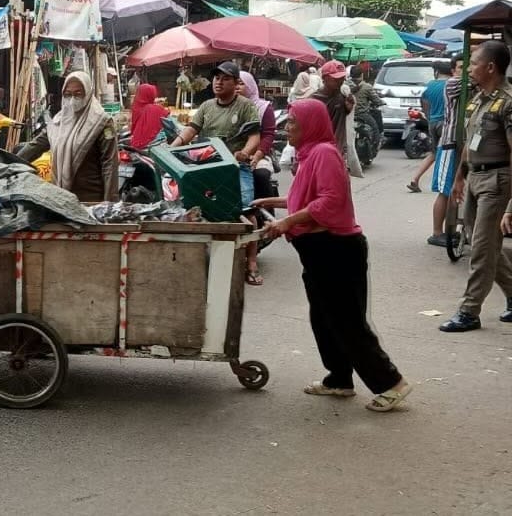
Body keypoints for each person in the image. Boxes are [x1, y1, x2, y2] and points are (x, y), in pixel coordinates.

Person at [255, 99, 411, 412]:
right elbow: (305, 197)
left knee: (347, 321)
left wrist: (286, 222)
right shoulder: (309, 154)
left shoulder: (324, 153)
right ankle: (339, 379)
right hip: (316, 252)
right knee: (324, 318)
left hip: (336, 249)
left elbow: (329, 203)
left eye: (293, 123)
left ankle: (391, 383)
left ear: (310, 125)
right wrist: (272, 202)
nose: (288, 129)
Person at [439, 41, 512, 332]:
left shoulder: (508, 101)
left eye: (473, 64)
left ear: (490, 67)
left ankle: (469, 311)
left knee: (482, 248)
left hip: (497, 181)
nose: (469, 69)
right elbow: (470, 143)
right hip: (474, 178)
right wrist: (459, 177)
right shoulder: (479, 98)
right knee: (482, 242)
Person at [172, 62, 261, 279]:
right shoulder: (206, 107)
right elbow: (191, 131)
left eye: (225, 79)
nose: (219, 82)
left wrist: (245, 153)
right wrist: (172, 148)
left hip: (236, 167)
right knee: (190, 207)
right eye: (216, 78)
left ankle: (251, 261)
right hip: (207, 167)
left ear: (236, 82)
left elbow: (254, 136)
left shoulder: (245, 106)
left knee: (247, 209)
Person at [17, 70, 119, 202]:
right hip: (61, 199)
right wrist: (6, 162)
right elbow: (35, 146)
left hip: (90, 200)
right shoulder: (58, 122)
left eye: (78, 94)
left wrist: (109, 203)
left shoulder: (102, 122)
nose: (72, 100)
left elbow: (109, 164)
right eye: (68, 94)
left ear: (88, 94)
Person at [239, 71, 276, 285]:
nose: (236, 87)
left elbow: (267, 135)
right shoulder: (213, 107)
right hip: (225, 160)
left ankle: (266, 211)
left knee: (259, 177)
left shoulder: (261, 108)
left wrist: (256, 155)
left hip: (253, 157)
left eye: (240, 84)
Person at [428, 56, 468, 247]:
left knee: (455, 191)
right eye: (462, 67)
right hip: (449, 144)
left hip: (461, 145)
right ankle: (437, 233)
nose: (466, 70)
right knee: (445, 191)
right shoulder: (453, 83)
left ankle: (451, 230)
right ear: (453, 70)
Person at [406, 62, 449, 194]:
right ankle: (441, 184)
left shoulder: (430, 85)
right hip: (446, 123)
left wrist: (429, 118)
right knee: (445, 153)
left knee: (434, 153)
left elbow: (424, 102)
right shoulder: (451, 85)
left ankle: (415, 178)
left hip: (433, 122)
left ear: (437, 72)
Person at [313, 60, 354, 159]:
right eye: (336, 79)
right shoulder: (313, 100)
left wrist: (348, 109)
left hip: (338, 151)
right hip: (319, 152)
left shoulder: (342, 98)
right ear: (324, 78)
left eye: (342, 79)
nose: (340, 82)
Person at [129, 83, 170, 150]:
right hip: (155, 146)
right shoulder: (155, 109)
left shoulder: (136, 106)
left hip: (136, 145)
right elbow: (170, 121)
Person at [349, 65, 384, 136]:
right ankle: (376, 143)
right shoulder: (367, 87)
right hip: (362, 114)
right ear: (362, 75)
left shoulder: (345, 85)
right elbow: (377, 101)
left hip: (348, 114)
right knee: (375, 129)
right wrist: (382, 102)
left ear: (350, 75)